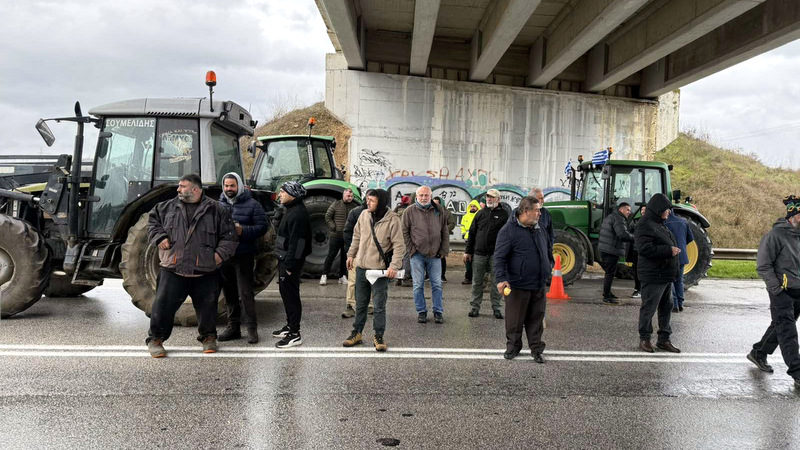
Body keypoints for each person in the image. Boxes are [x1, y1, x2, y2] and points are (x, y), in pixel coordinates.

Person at [145, 174, 238, 358]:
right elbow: (152, 223)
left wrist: (218, 256)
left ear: (195, 189)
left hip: (205, 270)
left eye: (182, 186)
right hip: (173, 268)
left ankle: (208, 338)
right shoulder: (165, 207)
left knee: (208, 308)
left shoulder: (217, 210)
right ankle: (156, 340)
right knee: (162, 307)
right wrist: (159, 237)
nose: (178, 189)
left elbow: (230, 237)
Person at [343, 189, 406, 351]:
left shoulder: (393, 219)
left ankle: (378, 336)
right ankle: (356, 333)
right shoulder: (364, 215)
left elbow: (399, 246)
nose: (367, 203)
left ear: (381, 202)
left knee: (378, 306)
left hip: (379, 271)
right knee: (361, 304)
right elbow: (356, 237)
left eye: (371, 200)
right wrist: (351, 255)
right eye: (367, 199)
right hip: (361, 268)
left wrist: (394, 266)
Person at [748, 195, 800, 387]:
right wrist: (776, 289)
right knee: (788, 332)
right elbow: (763, 265)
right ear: (792, 215)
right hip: (781, 291)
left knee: (780, 325)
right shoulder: (775, 235)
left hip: (798, 289)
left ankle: (758, 352)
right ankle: (797, 372)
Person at [494, 196, 550, 362]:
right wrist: (501, 278)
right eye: (537, 210)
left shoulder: (539, 228)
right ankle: (513, 347)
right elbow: (499, 257)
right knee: (514, 320)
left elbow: (547, 248)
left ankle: (536, 349)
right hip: (517, 284)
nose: (540, 213)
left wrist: (548, 265)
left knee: (536, 319)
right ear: (525, 211)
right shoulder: (509, 230)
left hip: (538, 283)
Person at [217, 173, 268, 344]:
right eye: (226, 186)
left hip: (243, 255)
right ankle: (233, 328)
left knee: (246, 293)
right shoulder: (219, 205)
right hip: (225, 256)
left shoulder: (253, 205)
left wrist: (243, 231)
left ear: (239, 186)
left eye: (232, 186)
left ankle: (252, 330)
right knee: (229, 294)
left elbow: (262, 227)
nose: (229, 189)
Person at [635, 193, 681, 354]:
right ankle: (645, 339)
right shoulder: (645, 224)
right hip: (653, 275)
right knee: (649, 308)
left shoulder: (660, 224)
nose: (668, 213)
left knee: (666, 307)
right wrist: (669, 250)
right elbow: (644, 248)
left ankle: (664, 339)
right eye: (666, 210)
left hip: (665, 275)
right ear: (658, 210)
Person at [272, 181, 312, 348]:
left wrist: (290, 266)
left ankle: (295, 334)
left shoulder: (298, 214)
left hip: (290, 262)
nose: (280, 194)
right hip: (285, 258)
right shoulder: (291, 209)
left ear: (292, 194)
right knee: (286, 293)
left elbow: (298, 244)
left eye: (283, 192)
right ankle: (290, 325)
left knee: (291, 296)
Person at [402, 185, 450, 324]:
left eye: (426, 195)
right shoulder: (409, 211)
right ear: (416, 196)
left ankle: (438, 312)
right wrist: (412, 250)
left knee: (437, 285)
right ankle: (421, 311)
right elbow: (404, 232)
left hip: (435, 255)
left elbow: (444, 231)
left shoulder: (438, 209)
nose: (424, 198)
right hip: (417, 254)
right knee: (418, 285)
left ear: (430, 196)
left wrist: (443, 250)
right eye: (421, 195)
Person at [464, 189, 509, 319]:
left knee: (496, 283)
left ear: (498, 199)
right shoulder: (480, 214)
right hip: (479, 254)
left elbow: (507, 236)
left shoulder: (504, 215)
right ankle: (474, 307)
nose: (489, 199)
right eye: (488, 197)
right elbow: (472, 233)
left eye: (492, 197)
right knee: (477, 282)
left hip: (496, 255)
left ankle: (497, 308)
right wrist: (468, 251)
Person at [598, 202, 634, 304]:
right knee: (609, 273)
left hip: (606, 249)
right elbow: (622, 234)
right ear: (621, 210)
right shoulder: (619, 219)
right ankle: (606, 296)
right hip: (611, 250)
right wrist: (635, 238)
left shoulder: (611, 216)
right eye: (627, 210)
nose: (629, 212)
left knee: (610, 273)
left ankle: (608, 292)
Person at [342, 201, 373, 318]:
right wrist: (351, 252)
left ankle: (353, 305)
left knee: (356, 280)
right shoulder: (357, 213)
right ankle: (353, 305)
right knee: (359, 280)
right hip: (359, 252)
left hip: (367, 253)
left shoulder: (355, 212)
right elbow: (349, 233)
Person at [321, 188, 358, 286]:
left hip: (347, 237)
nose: (349, 197)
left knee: (345, 257)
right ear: (343, 195)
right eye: (347, 195)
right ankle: (324, 275)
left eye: (351, 196)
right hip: (336, 235)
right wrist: (334, 227)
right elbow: (328, 216)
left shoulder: (354, 207)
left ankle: (342, 276)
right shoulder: (336, 204)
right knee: (331, 255)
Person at [664, 209, 694, 312]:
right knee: (679, 280)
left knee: (671, 280)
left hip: (670, 255)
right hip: (682, 256)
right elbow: (690, 238)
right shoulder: (683, 221)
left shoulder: (664, 223)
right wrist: (682, 245)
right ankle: (681, 303)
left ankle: (675, 304)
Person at [433, 196, 456, 282]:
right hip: (431, 238)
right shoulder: (429, 211)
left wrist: (444, 229)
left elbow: (452, 223)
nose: (435, 204)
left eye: (437, 203)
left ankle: (442, 275)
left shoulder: (446, 212)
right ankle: (428, 275)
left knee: (441, 256)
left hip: (443, 237)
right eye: (434, 202)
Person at [460, 200, 481, 284]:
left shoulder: (480, 215)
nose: (472, 208)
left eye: (474, 206)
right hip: (468, 240)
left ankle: (477, 278)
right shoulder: (465, 216)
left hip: (478, 241)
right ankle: (468, 277)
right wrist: (464, 234)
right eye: (471, 206)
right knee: (468, 259)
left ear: (477, 207)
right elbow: (462, 227)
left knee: (477, 260)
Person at [628, 206, 645, 298]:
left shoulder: (653, 222)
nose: (643, 211)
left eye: (645, 210)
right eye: (642, 209)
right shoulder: (635, 221)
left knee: (644, 270)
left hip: (646, 250)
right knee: (636, 270)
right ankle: (637, 289)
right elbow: (629, 230)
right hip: (636, 249)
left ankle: (643, 290)